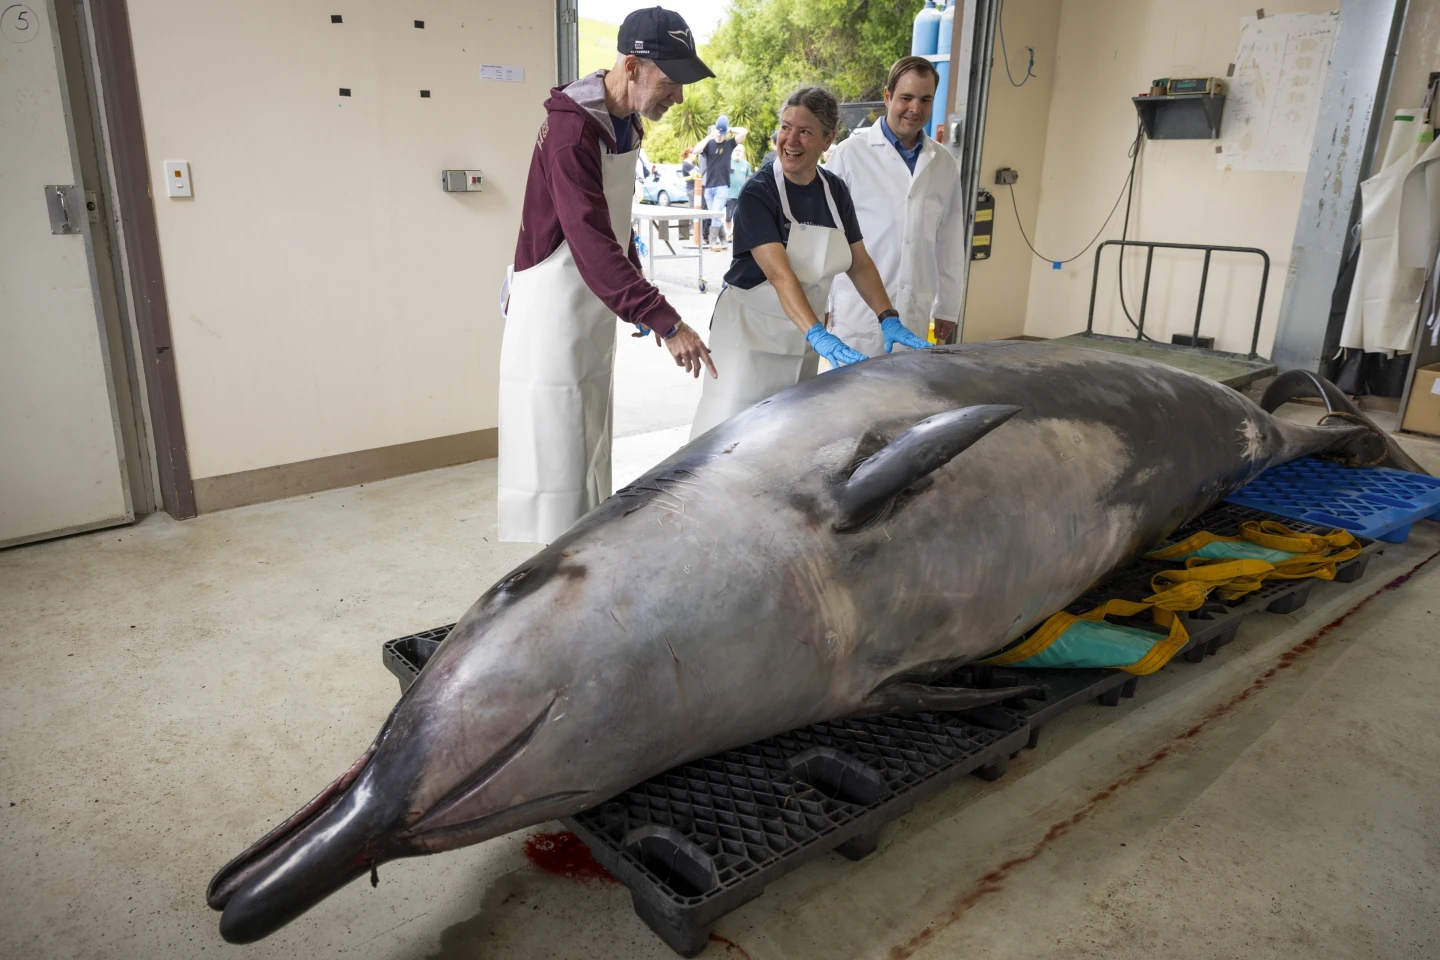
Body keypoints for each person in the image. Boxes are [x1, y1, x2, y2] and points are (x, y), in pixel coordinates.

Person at [499, 7, 718, 544]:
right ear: (632, 66)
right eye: (671, 82)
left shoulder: (625, 124)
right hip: (553, 309)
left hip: (588, 304)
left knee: (589, 441)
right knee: (555, 454)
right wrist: (665, 320)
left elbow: (614, 228)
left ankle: (581, 559)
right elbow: (590, 239)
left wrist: (636, 288)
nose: (680, 98)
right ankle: (552, 579)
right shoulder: (573, 131)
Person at [690, 87, 929, 439]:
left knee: (783, 437)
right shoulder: (759, 192)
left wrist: (887, 317)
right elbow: (779, 274)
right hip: (749, 337)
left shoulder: (834, 191)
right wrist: (820, 335)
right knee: (728, 437)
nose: (791, 140)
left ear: (828, 138)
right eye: (786, 128)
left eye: (805, 131)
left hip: (801, 337)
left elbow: (858, 262)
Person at [824, 56, 967, 356]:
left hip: (913, 310)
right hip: (856, 312)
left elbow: (950, 241)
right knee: (852, 397)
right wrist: (822, 302)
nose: (915, 109)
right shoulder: (850, 156)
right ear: (888, 96)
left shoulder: (943, 164)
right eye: (906, 98)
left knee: (907, 397)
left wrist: (948, 306)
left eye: (925, 99)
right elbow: (826, 235)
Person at [697, 115, 748, 251]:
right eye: (719, 133)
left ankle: (713, 242)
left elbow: (744, 132)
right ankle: (724, 241)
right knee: (716, 215)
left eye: (722, 133)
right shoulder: (709, 144)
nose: (720, 136)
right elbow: (696, 149)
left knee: (716, 213)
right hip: (709, 186)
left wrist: (728, 129)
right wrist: (710, 136)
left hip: (722, 185)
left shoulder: (729, 144)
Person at [725, 147, 752, 240]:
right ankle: (728, 234)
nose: (738, 152)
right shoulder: (728, 163)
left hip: (742, 195)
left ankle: (738, 234)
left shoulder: (746, 164)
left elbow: (748, 178)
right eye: (736, 150)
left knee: (741, 216)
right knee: (729, 216)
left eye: (740, 150)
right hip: (730, 194)